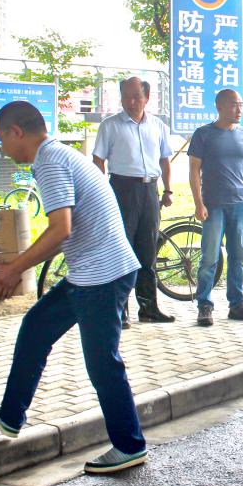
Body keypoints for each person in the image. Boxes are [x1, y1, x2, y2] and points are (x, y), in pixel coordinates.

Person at [0, 101, 147, 475]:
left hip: (101, 277)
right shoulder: (58, 155)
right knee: (36, 327)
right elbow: (63, 234)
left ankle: (129, 445)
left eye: (2, 138)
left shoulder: (50, 163)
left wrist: (13, 269)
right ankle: (11, 415)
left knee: (102, 363)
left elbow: (60, 230)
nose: (2, 147)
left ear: (17, 132)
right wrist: (19, 266)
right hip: (91, 274)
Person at [92, 77, 175, 328]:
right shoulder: (110, 126)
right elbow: (98, 161)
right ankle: (120, 311)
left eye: (137, 97)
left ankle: (149, 308)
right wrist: (101, 192)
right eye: (126, 97)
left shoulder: (158, 126)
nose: (131, 102)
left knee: (147, 251)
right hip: (122, 190)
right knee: (122, 251)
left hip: (150, 190)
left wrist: (168, 190)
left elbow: (164, 160)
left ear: (147, 98)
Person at [188, 89, 243, 326]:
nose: (239, 109)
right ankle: (204, 306)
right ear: (219, 106)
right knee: (210, 257)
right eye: (233, 105)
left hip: (239, 204)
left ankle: (237, 304)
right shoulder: (203, 134)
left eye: (240, 104)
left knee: (238, 255)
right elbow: (193, 170)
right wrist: (198, 203)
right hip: (213, 205)